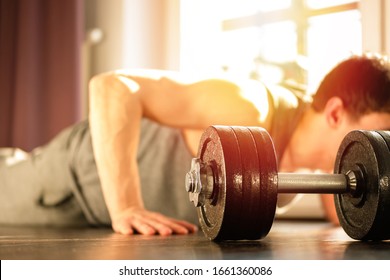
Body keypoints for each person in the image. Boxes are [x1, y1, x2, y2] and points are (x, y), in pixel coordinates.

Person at [1, 54, 390, 237]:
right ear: (337, 114)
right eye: (380, 134)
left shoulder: (328, 164)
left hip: (106, 223)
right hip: (72, 180)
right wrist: (128, 206)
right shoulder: (250, 106)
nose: (378, 149)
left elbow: (353, 206)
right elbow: (112, 86)